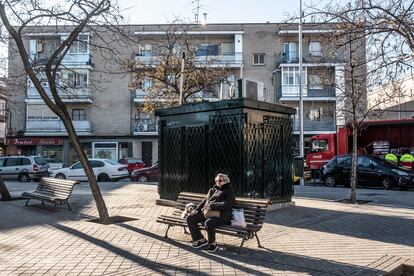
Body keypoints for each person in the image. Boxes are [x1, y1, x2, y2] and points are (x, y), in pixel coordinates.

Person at [186, 173, 235, 253]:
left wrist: (211, 206)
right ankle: (200, 239)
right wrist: (197, 209)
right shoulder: (212, 190)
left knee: (209, 222)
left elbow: (227, 204)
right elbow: (204, 201)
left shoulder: (229, 191)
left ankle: (212, 243)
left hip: (223, 215)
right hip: (208, 213)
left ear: (226, 181)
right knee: (190, 218)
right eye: (216, 180)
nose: (218, 182)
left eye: (220, 180)